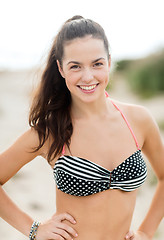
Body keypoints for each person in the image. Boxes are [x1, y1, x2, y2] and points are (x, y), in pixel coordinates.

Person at [0, 15, 164, 240]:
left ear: (109, 61)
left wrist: (146, 231)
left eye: (97, 64)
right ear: (61, 68)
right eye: (75, 66)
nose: (88, 77)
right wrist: (33, 228)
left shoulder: (138, 120)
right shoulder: (49, 132)